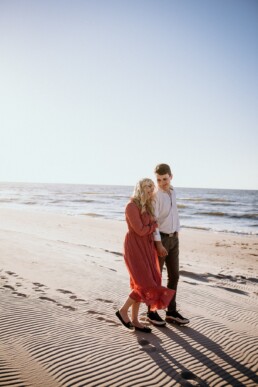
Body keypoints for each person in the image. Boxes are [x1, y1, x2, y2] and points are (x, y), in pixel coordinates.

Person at [116, 178, 175, 333]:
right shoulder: (131, 206)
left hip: (147, 248)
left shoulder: (147, 206)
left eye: (151, 186)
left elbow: (146, 228)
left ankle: (135, 320)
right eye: (147, 186)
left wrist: (153, 229)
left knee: (141, 284)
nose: (150, 189)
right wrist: (154, 225)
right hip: (134, 248)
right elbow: (140, 230)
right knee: (144, 283)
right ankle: (123, 311)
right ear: (140, 188)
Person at [147, 163, 190, 326]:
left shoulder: (173, 191)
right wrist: (158, 244)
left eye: (164, 179)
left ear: (171, 177)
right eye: (158, 180)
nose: (162, 183)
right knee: (156, 278)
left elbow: (174, 213)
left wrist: (177, 231)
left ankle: (171, 312)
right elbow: (154, 222)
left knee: (174, 276)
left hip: (174, 239)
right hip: (161, 240)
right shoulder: (156, 195)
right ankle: (151, 312)